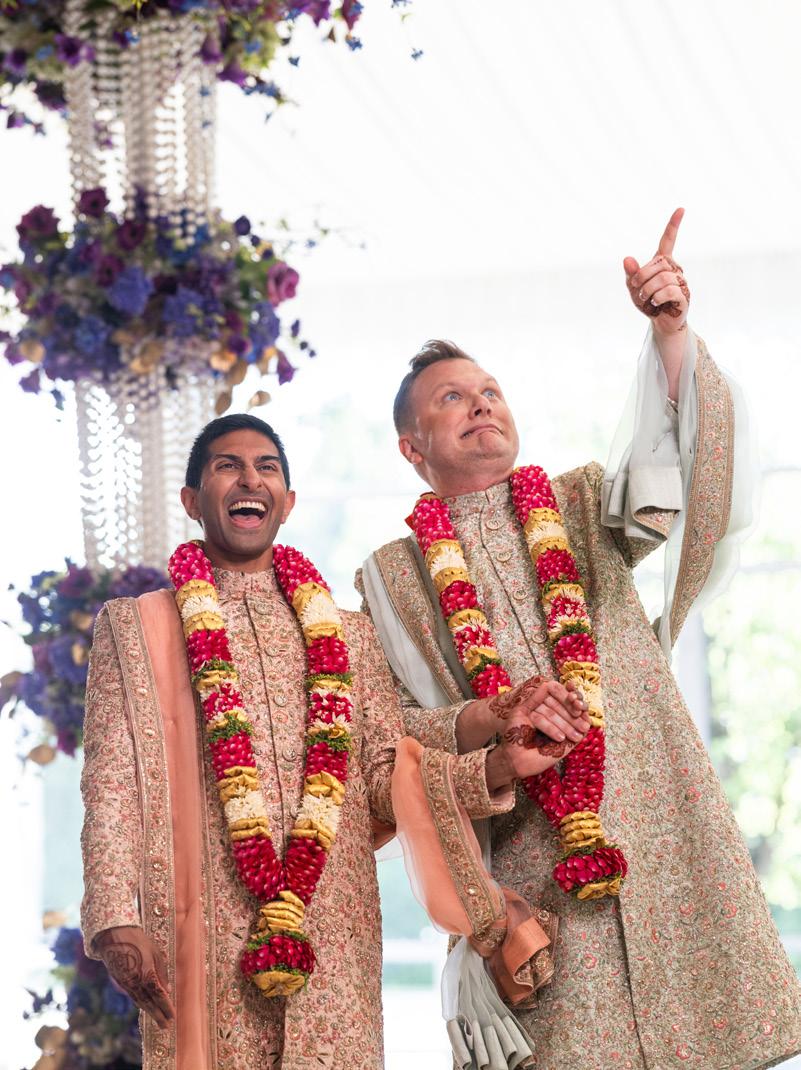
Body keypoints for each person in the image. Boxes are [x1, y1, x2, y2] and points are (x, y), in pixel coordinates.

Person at [359, 211, 801, 1069]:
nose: (480, 404)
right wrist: (493, 721)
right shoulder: (391, 577)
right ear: (412, 449)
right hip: (528, 854)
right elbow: (395, 734)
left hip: (654, 813)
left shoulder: (580, 500)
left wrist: (668, 335)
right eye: (452, 398)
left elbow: (674, 470)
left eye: (490, 391)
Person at [80, 413, 587, 1070]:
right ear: (192, 501)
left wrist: (496, 765)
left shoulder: (349, 635)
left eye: (266, 467)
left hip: (334, 927)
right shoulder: (136, 627)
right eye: (227, 466)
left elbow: (385, 776)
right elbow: (111, 781)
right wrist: (113, 916)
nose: (249, 479)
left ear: (287, 502)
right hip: (206, 919)